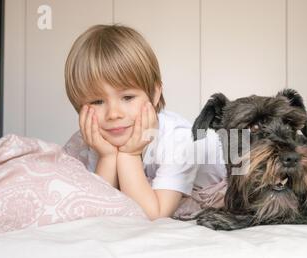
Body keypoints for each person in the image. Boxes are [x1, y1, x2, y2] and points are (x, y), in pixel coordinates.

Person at [63, 24, 226, 220]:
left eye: (128, 97)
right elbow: (95, 209)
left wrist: (129, 155)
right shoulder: (90, 140)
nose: (113, 114)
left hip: (234, 174)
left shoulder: (179, 140)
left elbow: (153, 214)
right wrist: (106, 157)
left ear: (155, 94)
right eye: (97, 102)